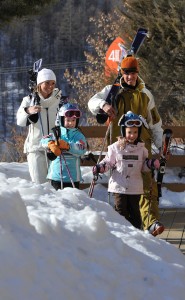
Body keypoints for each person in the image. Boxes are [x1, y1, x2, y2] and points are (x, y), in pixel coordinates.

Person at [88, 55, 164, 236]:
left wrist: (159, 147)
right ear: (122, 73)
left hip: (141, 146)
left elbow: (155, 123)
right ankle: (123, 229)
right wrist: (104, 105)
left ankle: (150, 223)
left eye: (133, 73)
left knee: (146, 184)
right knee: (121, 187)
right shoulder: (112, 90)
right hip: (119, 147)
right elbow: (92, 102)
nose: (130, 77)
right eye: (127, 73)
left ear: (138, 73)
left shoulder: (145, 94)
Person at [92, 111, 160, 229]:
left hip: (135, 188)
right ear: (123, 131)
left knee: (135, 212)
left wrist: (150, 164)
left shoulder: (141, 149)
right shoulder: (115, 148)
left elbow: (143, 166)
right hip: (119, 187)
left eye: (135, 132)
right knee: (120, 211)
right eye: (129, 132)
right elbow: (109, 161)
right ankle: (121, 235)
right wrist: (101, 167)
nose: (132, 135)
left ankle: (136, 234)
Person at [17, 68, 62, 184]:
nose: (50, 86)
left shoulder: (59, 100)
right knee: (40, 186)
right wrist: (28, 110)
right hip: (35, 148)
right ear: (39, 83)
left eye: (53, 83)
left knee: (56, 187)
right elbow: (20, 122)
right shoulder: (29, 100)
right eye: (47, 82)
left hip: (54, 148)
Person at [41, 103, 87, 190]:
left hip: (73, 177)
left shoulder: (78, 135)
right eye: (68, 120)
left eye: (73, 120)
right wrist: (50, 144)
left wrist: (68, 146)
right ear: (61, 119)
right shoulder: (56, 133)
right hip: (56, 176)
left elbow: (82, 148)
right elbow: (43, 140)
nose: (71, 123)